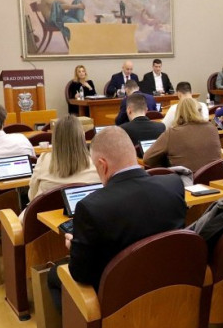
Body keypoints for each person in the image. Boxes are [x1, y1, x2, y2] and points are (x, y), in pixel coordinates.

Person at [47, 127, 186, 308]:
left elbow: (81, 274)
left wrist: (75, 248)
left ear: (102, 165)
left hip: (119, 302)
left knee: (53, 275)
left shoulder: (91, 207)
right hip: (172, 288)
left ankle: (81, 327)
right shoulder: (173, 184)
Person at [27, 115, 100, 203]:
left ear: (54, 138)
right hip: (85, 210)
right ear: (82, 136)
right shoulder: (96, 163)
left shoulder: (43, 159)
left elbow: (32, 196)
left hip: (45, 210)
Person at [144, 97, 221, 173]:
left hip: (185, 178)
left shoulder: (172, 133)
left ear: (179, 113)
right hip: (215, 177)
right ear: (199, 111)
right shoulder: (212, 129)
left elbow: (147, 158)